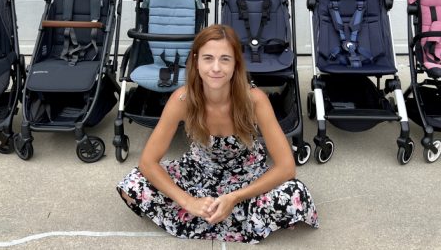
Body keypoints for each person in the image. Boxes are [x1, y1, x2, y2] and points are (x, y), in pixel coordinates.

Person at [117, 24, 318, 243]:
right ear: (196, 60)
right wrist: (188, 201)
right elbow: (148, 162)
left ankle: (225, 212)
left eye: (225, 59)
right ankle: (237, 217)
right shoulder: (182, 99)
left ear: (236, 64)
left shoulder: (255, 100)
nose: (216, 68)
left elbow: (286, 167)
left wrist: (234, 198)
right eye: (208, 58)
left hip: (247, 178)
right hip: (198, 174)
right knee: (133, 184)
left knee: (294, 194)